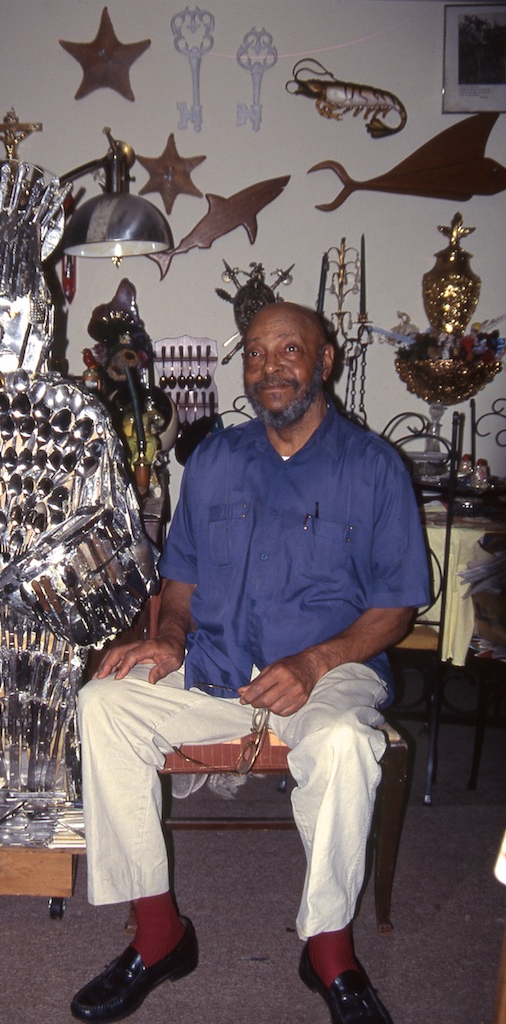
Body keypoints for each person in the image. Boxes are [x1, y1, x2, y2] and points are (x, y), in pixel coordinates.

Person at [71, 301, 430, 1024]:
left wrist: (314, 661)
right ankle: (157, 933)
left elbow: (397, 607)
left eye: (287, 350)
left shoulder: (373, 467)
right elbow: (182, 576)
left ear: (324, 360)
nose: (269, 367)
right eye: (256, 353)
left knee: (344, 744)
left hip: (329, 671)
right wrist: (169, 635)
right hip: (216, 663)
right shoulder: (213, 459)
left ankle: (329, 951)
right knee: (103, 703)